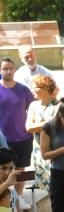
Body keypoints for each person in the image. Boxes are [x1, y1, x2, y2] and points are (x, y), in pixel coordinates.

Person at [0, 58, 34, 194]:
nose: (8, 71)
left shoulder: (23, 90)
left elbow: (32, 109)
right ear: (0, 71)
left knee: (20, 169)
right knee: (3, 170)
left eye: (10, 68)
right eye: (5, 68)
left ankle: (19, 197)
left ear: (15, 70)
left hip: (23, 137)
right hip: (3, 139)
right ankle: (4, 198)